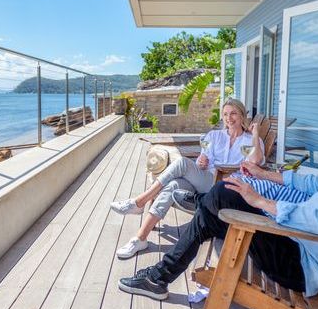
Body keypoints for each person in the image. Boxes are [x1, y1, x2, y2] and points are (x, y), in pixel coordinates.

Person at [117, 88, 318, 300]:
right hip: (297, 237)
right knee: (222, 196)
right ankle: (161, 272)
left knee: (222, 196)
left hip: (302, 260)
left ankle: (160, 274)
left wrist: (261, 202)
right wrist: (265, 175)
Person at [109, 98, 265, 259]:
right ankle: (140, 238)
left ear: (241, 115)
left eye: (233, 113)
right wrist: (201, 162)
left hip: (225, 188)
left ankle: (139, 202)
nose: (229, 118)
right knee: (173, 185)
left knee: (182, 163)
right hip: (205, 179)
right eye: (225, 114)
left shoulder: (251, 140)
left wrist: (255, 134)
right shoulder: (214, 135)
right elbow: (203, 158)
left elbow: (256, 161)